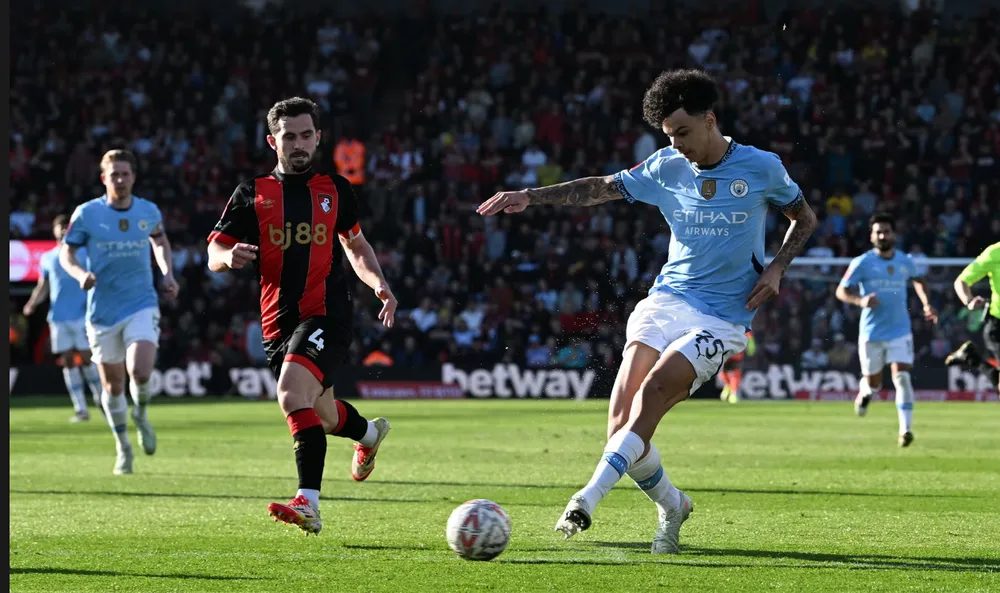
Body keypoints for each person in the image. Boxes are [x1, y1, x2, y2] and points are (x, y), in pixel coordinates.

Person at [477, 69, 818, 553]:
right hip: (666, 300)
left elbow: (803, 216)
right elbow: (600, 187)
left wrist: (778, 267)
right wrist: (529, 197)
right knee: (620, 425)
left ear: (710, 119)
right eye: (668, 136)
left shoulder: (761, 167)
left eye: (682, 132)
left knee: (655, 392)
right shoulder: (665, 167)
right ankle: (674, 504)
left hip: (722, 318)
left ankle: (586, 498)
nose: (676, 144)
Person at [206, 97, 396, 536]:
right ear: (273, 141)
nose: (298, 144)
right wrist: (226, 256)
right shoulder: (252, 193)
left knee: (291, 395)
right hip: (278, 324)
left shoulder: (336, 189)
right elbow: (213, 249)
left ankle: (308, 501)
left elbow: (357, 246)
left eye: (306, 135)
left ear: (318, 138)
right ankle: (369, 434)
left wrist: (378, 283)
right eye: (289, 136)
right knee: (324, 417)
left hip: (328, 313)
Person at [60, 149, 180, 474]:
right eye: (114, 174)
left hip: (141, 302)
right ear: (104, 178)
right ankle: (123, 445)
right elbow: (66, 254)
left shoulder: (148, 210)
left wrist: (167, 273)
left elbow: (160, 241)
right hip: (101, 312)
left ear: (133, 177)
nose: (120, 180)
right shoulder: (86, 214)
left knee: (140, 371)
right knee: (112, 387)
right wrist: (80, 275)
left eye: (125, 174)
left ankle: (140, 413)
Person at [835, 213, 938, 447]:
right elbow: (841, 291)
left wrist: (926, 304)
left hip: (900, 330)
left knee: (902, 376)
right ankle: (865, 394)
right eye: (878, 232)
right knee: (873, 383)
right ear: (872, 236)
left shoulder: (904, 261)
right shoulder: (862, 262)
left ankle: (905, 430)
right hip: (871, 333)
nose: (883, 235)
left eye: (886, 231)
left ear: (894, 234)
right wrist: (860, 301)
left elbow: (919, 281)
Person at [22, 215, 104, 422]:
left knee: (86, 358)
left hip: (82, 315)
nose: (63, 230)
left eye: (67, 227)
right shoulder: (48, 258)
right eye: (60, 227)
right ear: (54, 231)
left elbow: (97, 280)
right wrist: (32, 303)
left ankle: (101, 400)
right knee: (67, 361)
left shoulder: (85, 253)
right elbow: (44, 286)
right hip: (58, 317)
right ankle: (80, 409)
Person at [944, 242, 1000, 395]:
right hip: (998, 326)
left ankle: (972, 358)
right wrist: (969, 301)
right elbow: (961, 281)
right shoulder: (994, 253)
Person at [719, 331, 755, 403]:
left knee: (735, 372)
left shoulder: (742, 326)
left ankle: (733, 393)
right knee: (723, 371)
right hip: (724, 353)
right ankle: (728, 385)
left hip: (736, 354)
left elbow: (750, 338)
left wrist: (751, 349)